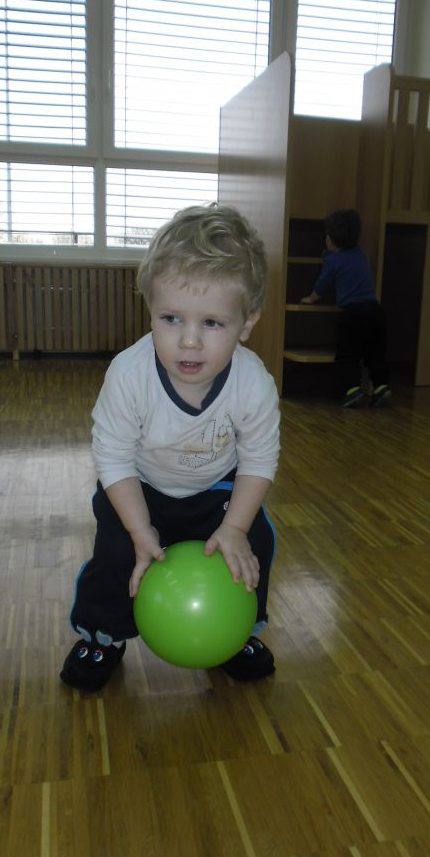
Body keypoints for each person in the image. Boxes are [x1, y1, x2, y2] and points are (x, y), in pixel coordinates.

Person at [60, 203, 280, 692]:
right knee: (117, 552)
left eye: (213, 324)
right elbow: (112, 458)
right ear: (151, 311)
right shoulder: (128, 375)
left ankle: (236, 628)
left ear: (246, 324)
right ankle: (103, 634)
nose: (189, 341)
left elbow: (260, 459)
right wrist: (140, 530)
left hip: (215, 488)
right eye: (171, 318)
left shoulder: (254, 383)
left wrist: (236, 527)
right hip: (139, 487)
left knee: (258, 543)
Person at [301, 208, 390, 408]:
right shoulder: (361, 254)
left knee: (347, 353)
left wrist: (311, 298)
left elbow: (323, 284)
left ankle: (351, 389)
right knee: (375, 352)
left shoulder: (333, 261)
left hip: (354, 314)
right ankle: (381, 385)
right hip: (375, 311)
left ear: (330, 238)